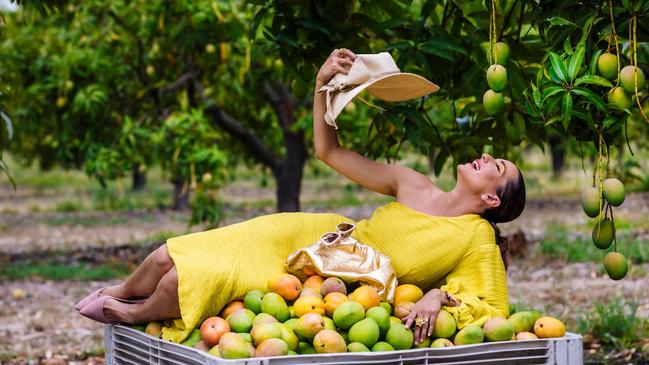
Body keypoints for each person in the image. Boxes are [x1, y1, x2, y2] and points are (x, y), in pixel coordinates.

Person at [76, 48, 526, 346]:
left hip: (337, 281)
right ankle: (117, 292)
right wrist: (320, 85)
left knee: (184, 282)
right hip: (320, 237)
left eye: (498, 167)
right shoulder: (411, 182)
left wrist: (438, 298)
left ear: (491, 200)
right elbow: (327, 150)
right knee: (165, 258)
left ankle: (134, 314)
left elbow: (491, 304)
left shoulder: (475, 238)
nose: (486, 156)